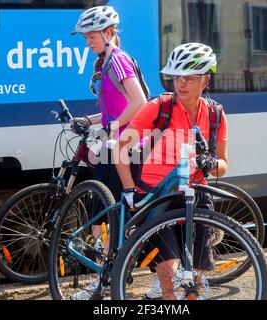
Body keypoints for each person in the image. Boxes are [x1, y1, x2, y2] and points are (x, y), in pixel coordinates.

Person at [115, 43, 228, 300]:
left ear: (205, 80)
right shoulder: (159, 108)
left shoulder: (216, 115)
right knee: (170, 270)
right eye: (176, 77)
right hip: (158, 194)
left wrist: (210, 164)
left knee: (196, 279)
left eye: (188, 77)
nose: (181, 83)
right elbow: (120, 149)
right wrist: (130, 190)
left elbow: (223, 163)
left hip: (196, 195)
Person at [69, 5, 147, 300]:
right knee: (101, 215)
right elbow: (115, 109)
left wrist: (114, 125)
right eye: (86, 37)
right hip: (110, 144)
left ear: (109, 33)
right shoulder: (106, 62)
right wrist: (88, 121)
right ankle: (104, 278)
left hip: (126, 149)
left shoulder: (118, 61)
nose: (87, 42)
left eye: (91, 36)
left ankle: (108, 281)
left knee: (116, 218)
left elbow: (139, 101)